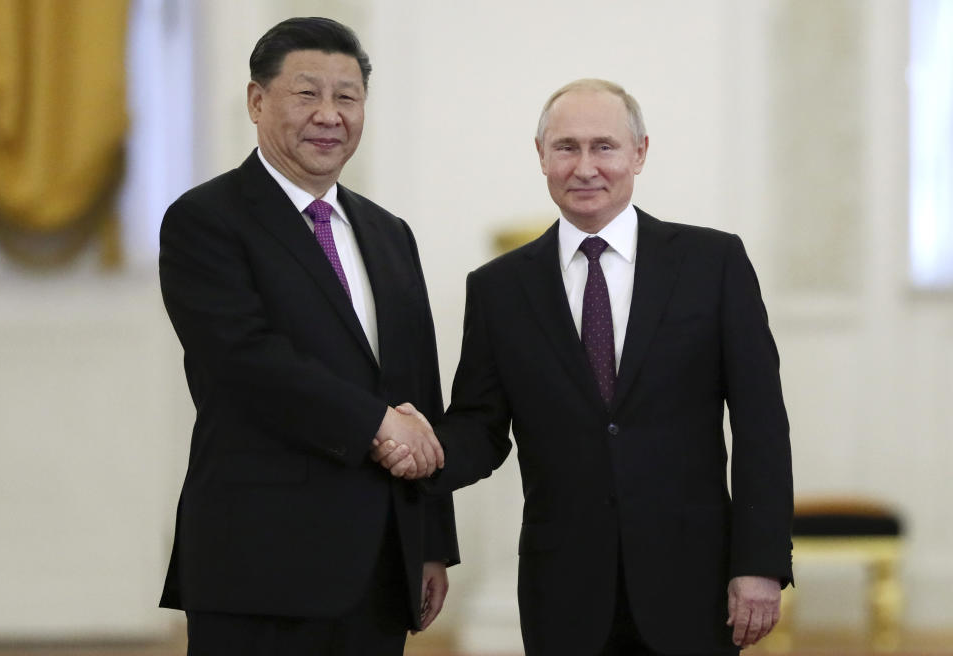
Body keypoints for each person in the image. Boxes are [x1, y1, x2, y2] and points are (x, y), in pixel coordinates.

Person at [379, 79, 793, 655]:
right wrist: (425, 451)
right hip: (564, 590)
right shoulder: (499, 288)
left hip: (692, 582)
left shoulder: (713, 263)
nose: (585, 166)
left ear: (639, 153)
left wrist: (760, 563)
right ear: (542, 156)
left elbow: (762, 426)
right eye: (567, 147)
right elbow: (481, 426)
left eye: (605, 146)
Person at [158, 17, 458, 656]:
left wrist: (431, 543)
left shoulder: (388, 232)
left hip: (379, 567)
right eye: (306, 94)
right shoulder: (205, 221)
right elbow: (246, 360)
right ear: (256, 101)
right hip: (260, 563)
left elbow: (417, 393)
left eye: (347, 97)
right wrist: (378, 424)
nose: (329, 115)